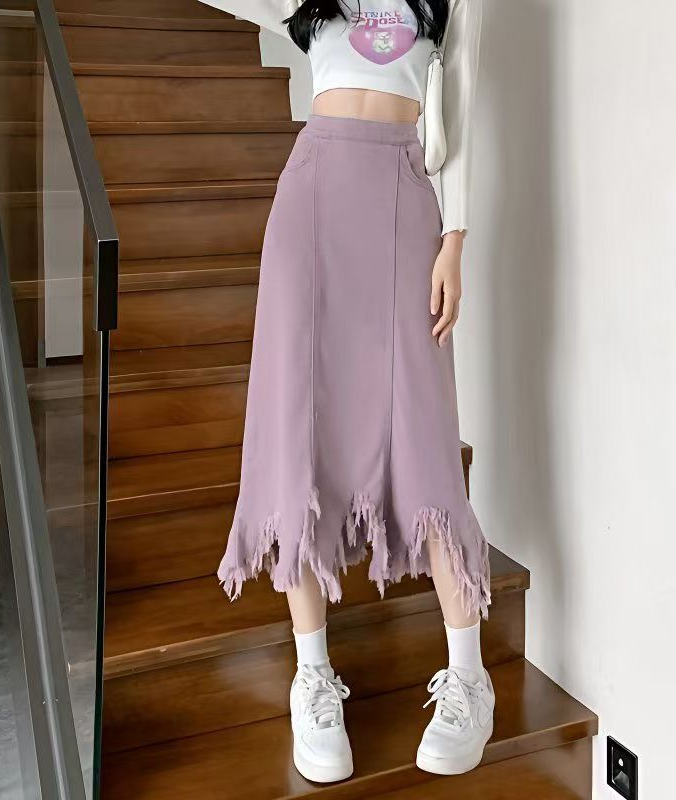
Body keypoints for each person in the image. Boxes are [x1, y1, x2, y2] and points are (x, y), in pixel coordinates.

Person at [200, 0, 490, 783]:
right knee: (298, 427)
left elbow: (464, 102)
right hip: (312, 199)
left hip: (403, 200)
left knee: (425, 435)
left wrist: (455, 240)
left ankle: (469, 678)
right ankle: (313, 677)